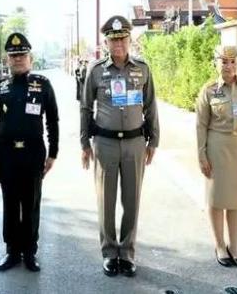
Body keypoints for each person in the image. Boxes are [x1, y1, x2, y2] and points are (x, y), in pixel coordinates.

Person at [80, 15, 159, 278]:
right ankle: (109, 252)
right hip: (105, 143)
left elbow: (151, 106)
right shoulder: (95, 70)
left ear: (129, 40)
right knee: (106, 201)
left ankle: (126, 253)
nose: (118, 44)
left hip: (135, 143)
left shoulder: (143, 69)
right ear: (106, 42)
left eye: (122, 39)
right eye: (113, 40)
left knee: (132, 201)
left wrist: (154, 140)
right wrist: (84, 143)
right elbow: (85, 108)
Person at [0, 33, 59, 273]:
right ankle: (12, 251)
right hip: (6, 153)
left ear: (30, 58)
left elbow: (52, 120)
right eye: (13, 55)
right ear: (7, 59)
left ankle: (30, 252)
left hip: (33, 153)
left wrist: (53, 153)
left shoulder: (42, 85)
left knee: (31, 203)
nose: (18, 59)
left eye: (22, 55)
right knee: (10, 202)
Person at [195, 45, 237, 269]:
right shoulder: (209, 91)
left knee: (236, 199)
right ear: (217, 63)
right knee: (216, 199)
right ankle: (220, 245)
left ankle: (234, 246)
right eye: (224, 62)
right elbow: (201, 125)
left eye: (233, 62)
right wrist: (202, 155)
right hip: (217, 148)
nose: (229, 66)